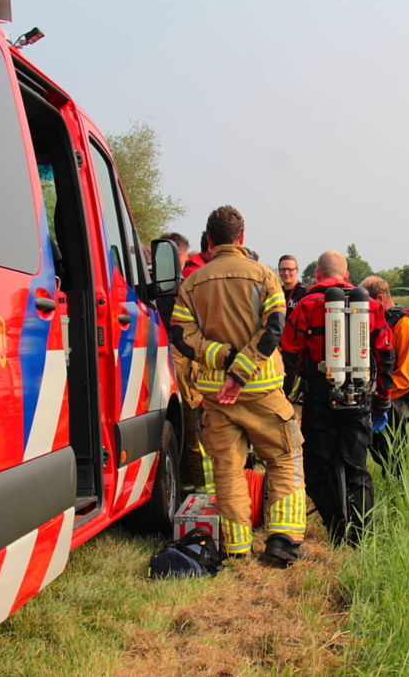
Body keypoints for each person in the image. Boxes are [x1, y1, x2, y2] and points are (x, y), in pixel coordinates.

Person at [171, 205, 306, 562]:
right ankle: (283, 541)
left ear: (211, 240)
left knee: (227, 470)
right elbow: (274, 328)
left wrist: (223, 361)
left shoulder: (191, 282)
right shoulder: (264, 275)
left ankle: (237, 548)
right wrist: (241, 371)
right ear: (242, 238)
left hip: (216, 397)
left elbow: (181, 336)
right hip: (262, 390)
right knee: (285, 457)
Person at [281, 251, 394, 547]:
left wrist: (284, 396)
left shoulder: (305, 304)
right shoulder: (370, 306)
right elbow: (385, 353)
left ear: (316, 275)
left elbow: (289, 353)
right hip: (360, 394)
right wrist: (384, 399)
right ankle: (360, 537)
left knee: (316, 467)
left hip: (319, 395)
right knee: (356, 466)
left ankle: (335, 529)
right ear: (346, 277)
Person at [359, 276, 409, 478]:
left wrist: (379, 396)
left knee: (393, 455)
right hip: (375, 394)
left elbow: (406, 377)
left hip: (396, 399)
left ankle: (399, 496)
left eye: (365, 303)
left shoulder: (407, 326)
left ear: (379, 299)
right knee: (376, 450)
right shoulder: (376, 323)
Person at [156, 232, 210, 494]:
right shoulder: (181, 285)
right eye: (185, 258)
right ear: (178, 255)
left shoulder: (159, 284)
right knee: (191, 429)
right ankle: (200, 489)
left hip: (172, 360)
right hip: (182, 361)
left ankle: (189, 486)